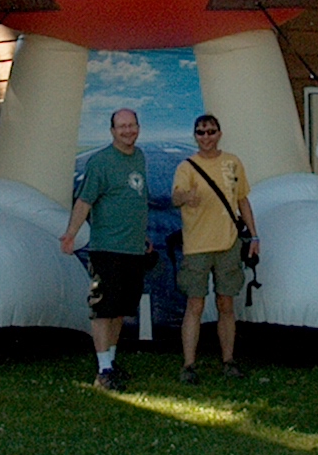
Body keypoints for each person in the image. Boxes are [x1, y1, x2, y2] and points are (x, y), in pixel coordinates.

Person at [60, 107, 151, 390]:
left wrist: (143, 235)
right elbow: (84, 201)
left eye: (132, 125)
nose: (128, 131)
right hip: (107, 250)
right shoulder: (100, 162)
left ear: (138, 128)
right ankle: (103, 371)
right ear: (112, 131)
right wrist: (71, 235)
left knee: (120, 310)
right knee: (103, 310)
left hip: (133, 250)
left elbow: (135, 201)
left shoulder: (140, 157)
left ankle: (110, 362)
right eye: (122, 126)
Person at [170, 114, 260, 383]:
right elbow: (176, 196)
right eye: (201, 132)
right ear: (195, 136)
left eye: (211, 132)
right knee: (195, 304)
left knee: (226, 303)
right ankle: (188, 365)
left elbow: (242, 200)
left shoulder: (232, 163)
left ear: (219, 134)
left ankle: (228, 360)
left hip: (228, 244)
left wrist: (254, 236)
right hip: (197, 246)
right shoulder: (186, 167)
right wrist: (186, 197)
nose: (206, 137)